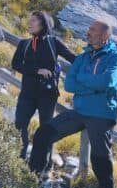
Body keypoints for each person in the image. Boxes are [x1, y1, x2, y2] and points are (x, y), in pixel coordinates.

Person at [28, 21, 117, 188]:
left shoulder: (115, 55)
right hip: (80, 112)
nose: (88, 34)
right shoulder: (82, 57)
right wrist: (91, 83)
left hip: (101, 113)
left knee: (101, 160)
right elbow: (70, 84)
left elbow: (107, 81)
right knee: (43, 134)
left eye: (93, 32)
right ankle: (31, 184)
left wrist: (84, 81)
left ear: (105, 36)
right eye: (88, 30)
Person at [11, 11, 75, 160]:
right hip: (27, 93)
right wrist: (37, 70)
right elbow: (16, 65)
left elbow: (73, 58)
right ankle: (19, 160)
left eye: (33, 21)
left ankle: (42, 166)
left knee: (45, 130)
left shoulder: (53, 42)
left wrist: (94, 62)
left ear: (43, 23)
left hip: (47, 94)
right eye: (30, 20)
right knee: (20, 125)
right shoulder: (24, 43)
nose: (29, 23)